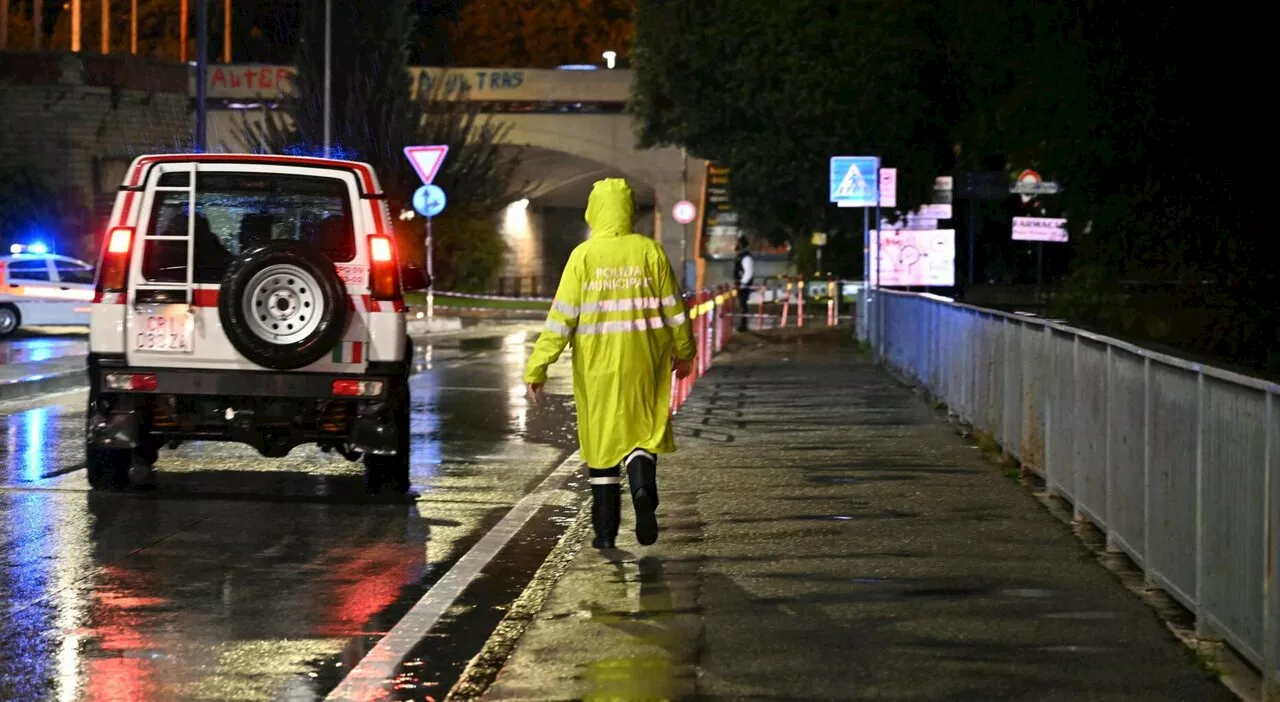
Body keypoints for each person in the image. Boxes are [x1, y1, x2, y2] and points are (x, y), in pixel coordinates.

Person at [524, 179, 697, 549]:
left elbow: (560, 321)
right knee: (642, 432)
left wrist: (537, 367)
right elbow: (675, 311)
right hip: (646, 363)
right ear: (628, 211)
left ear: (594, 211)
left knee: (602, 445)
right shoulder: (649, 252)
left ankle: (605, 535)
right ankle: (643, 490)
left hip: (597, 368)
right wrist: (685, 352)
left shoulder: (583, 257)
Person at [734, 235, 754, 331]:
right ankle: (742, 323)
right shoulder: (740, 256)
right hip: (741, 284)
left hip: (744, 285)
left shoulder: (746, 257)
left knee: (743, 304)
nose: (736, 244)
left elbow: (748, 272)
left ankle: (743, 325)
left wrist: (742, 283)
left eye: (738, 243)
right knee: (741, 304)